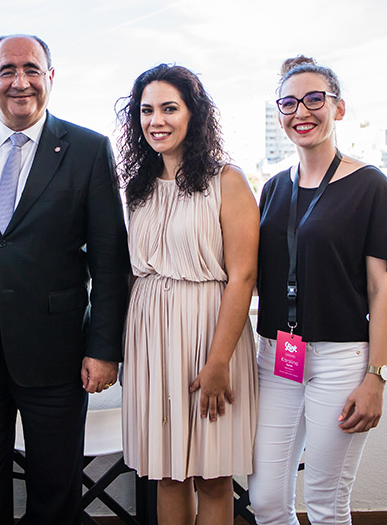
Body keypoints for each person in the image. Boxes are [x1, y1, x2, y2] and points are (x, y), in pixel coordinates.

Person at [0, 34, 130, 525]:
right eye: (7, 70)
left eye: (31, 69)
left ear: (50, 77)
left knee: (55, 488)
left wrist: (104, 347)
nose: (19, 81)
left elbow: (109, 259)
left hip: (59, 353)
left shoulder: (88, 149)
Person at [248, 56, 387, 525]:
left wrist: (376, 377)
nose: (302, 111)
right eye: (289, 102)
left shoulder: (371, 186)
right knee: (267, 501)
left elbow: (381, 289)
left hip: (342, 361)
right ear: (279, 115)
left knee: (325, 503)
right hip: (278, 356)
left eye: (315, 99)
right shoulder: (274, 188)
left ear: (337, 108)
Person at [116, 63, 260, 524]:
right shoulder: (136, 187)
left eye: (169, 108)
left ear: (194, 114)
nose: (156, 120)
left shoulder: (227, 180)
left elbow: (242, 277)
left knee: (213, 475)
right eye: (146, 110)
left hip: (209, 335)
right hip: (150, 341)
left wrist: (217, 362)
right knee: (167, 473)